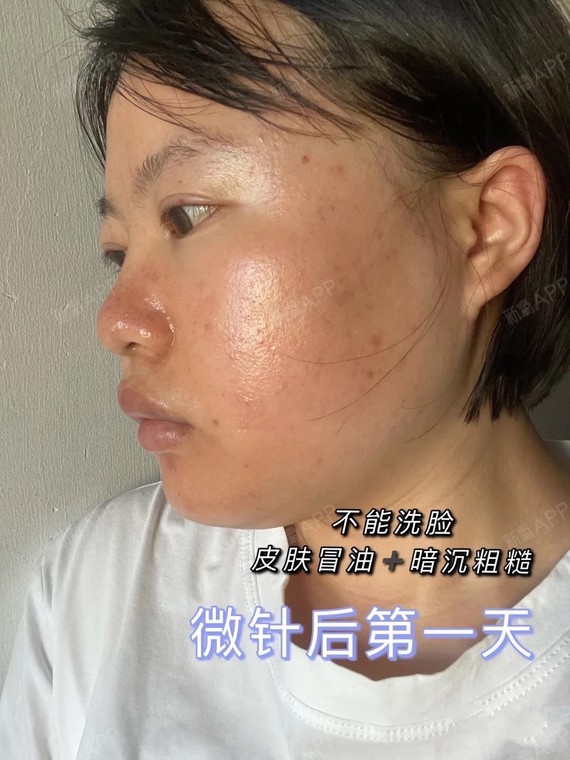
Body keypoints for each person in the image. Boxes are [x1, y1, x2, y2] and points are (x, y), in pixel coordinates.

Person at [1, 0, 569, 757]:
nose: (117, 322)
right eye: (117, 252)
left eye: (189, 214)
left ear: (487, 228)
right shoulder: (102, 595)